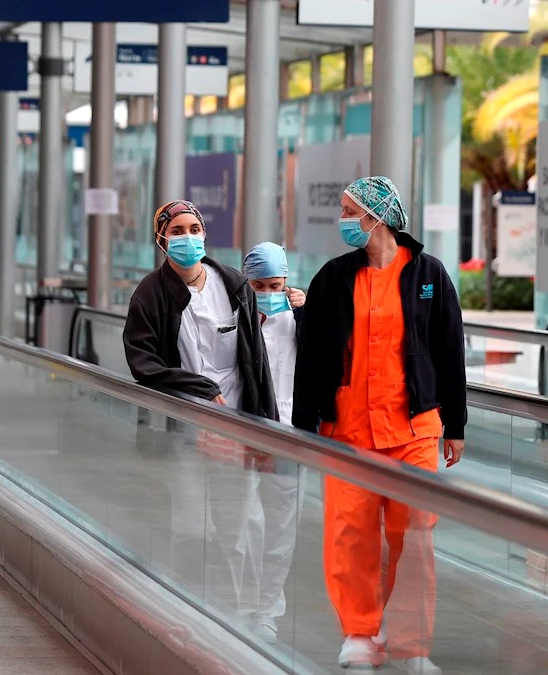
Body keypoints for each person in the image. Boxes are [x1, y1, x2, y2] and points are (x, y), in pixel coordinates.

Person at [293, 176, 467, 674]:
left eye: (351, 211)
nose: (344, 220)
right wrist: (304, 428)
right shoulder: (333, 277)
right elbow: (312, 358)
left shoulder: (428, 274)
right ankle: (360, 632)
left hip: (414, 430)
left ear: (379, 216)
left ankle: (411, 644)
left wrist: (454, 424)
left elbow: (449, 352)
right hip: (347, 431)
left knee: (414, 535)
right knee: (351, 534)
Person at [122, 199, 277, 622]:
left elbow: (256, 361)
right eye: (177, 231)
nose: (187, 238)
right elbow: (143, 361)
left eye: (194, 229)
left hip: (238, 426)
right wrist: (200, 388)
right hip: (184, 430)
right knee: (190, 525)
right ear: (161, 239)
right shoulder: (151, 294)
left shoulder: (232, 285)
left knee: (237, 528)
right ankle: (186, 612)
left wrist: (267, 431)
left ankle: (239, 615)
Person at [240, 242, 306, 640]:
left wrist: (306, 311)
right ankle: (244, 602)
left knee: (282, 525)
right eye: (259, 285)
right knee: (248, 521)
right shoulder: (237, 316)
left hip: (288, 434)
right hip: (245, 432)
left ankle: (268, 609)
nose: (268, 292)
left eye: (275, 284)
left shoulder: (298, 317)